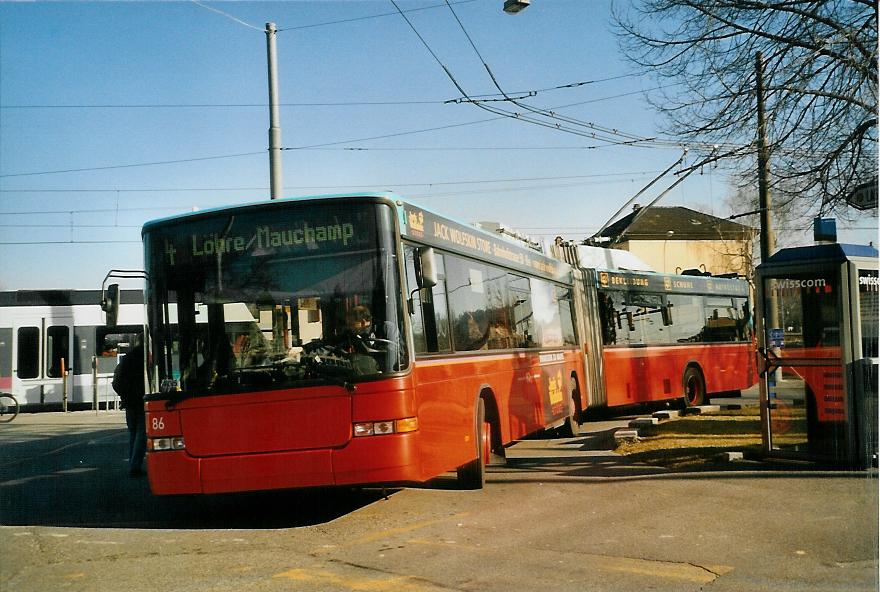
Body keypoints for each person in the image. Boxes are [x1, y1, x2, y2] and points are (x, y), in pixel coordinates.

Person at [113, 340, 146, 476]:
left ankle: (132, 463)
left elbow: (117, 382)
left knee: (133, 433)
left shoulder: (127, 359)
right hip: (140, 401)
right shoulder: (143, 359)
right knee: (141, 434)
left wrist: (124, 396)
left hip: (129, 402)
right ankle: (135, 465)